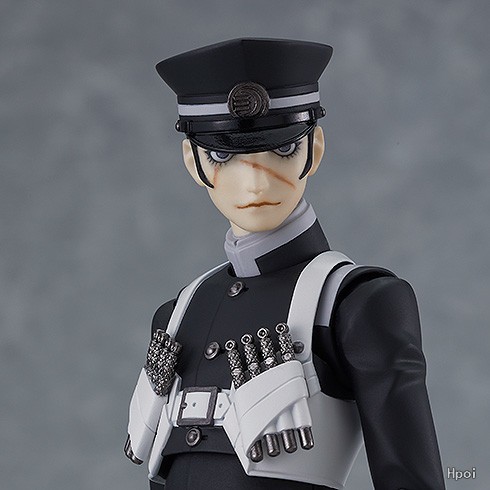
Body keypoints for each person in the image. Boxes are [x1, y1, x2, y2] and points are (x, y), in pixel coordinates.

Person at [125, 38, 445, 490]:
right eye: (223, 154)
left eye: (282, 150)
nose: (256, 181)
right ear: (193, 163)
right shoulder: (178, 315)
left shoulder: (354, 304)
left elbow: (412, 479)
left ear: (314, 149)